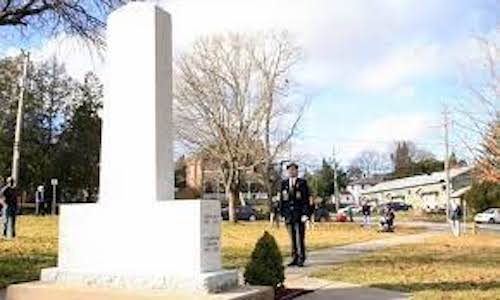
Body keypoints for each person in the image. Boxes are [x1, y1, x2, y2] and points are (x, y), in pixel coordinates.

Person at [279, 162, 310, 267]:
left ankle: (301, 258)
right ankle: (294, 257)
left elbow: (306, 200)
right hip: (289, 214)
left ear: (297, 171)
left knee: (299, 237)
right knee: (292, 237)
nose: (291, 171)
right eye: (289, 170)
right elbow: (282, 200)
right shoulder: (284, 183)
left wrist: (305, 214)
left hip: (299, 214)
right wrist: (282, 214)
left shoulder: (302, 183)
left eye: (293, 169)